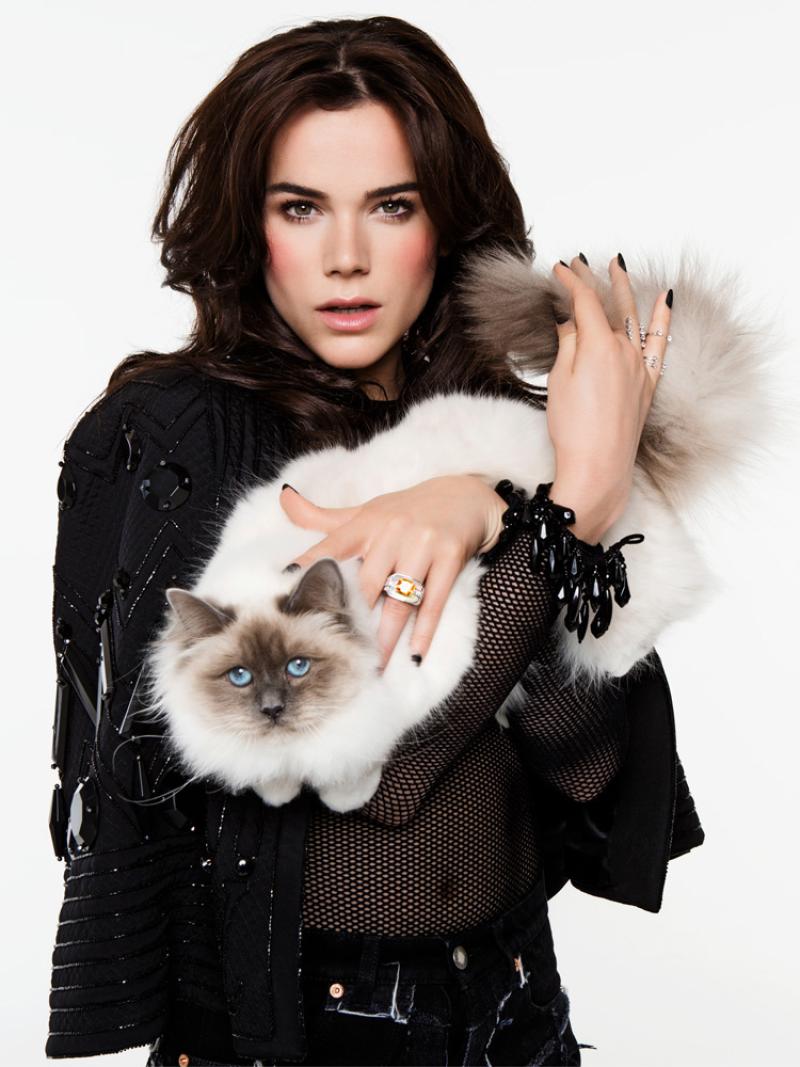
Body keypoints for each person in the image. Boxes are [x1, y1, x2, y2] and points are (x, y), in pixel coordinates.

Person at [46, 16, 705, 1066]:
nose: (346, 258)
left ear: (444, 221)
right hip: (308, 1025)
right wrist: (569, 506)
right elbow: (376, 778)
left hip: (513, 1000)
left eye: (391, 205)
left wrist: (495, 498)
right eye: (300, 207)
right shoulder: (173, 440)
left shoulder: (505, 426)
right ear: (246, 224)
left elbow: (585, 770)